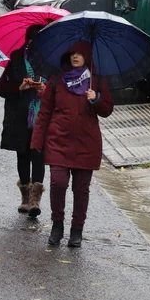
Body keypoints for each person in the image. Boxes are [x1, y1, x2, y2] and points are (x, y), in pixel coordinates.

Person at [31, 41, 113, 249]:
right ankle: (57, 224)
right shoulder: (57, 80)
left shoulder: (96, 81)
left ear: (87, 56)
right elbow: (45, 112)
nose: (75, 57)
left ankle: (77, 230)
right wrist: (37, 140)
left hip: (87, 143)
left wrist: (96, 99)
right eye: (72, 53)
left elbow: (107, 110)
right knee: (58, 183)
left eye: (80, 53)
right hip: (58, 141)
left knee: (81, 189)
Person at [0, 25, 47, 217]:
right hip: (20, 117)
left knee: (38, 155)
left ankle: (35, 200)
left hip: (41, 117)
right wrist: (19, 87)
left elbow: (57, 88)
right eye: (31, 41)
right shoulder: (17, 58)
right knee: (23, 155)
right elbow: (1, 88)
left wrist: (45, 89)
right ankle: (25, 198)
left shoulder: (50, 61)